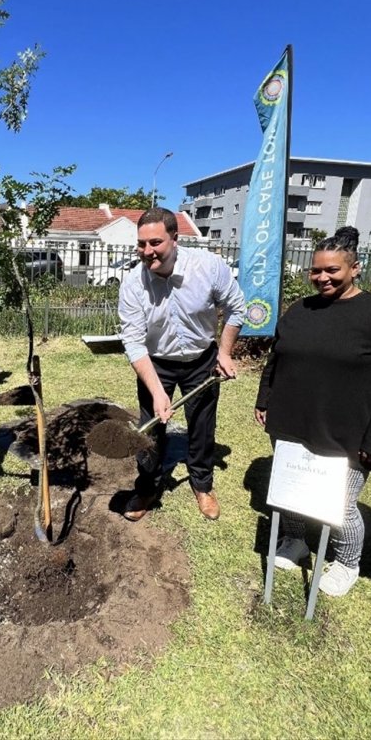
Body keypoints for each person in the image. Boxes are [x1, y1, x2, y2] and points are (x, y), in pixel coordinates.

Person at [255, 226, 371, 597]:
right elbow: (276, 358)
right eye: (316, 270)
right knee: (293, 492)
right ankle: (294, 540)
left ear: (355, 268)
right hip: (294, 421)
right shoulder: (301, 310)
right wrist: (265, 399)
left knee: (340, 506)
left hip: (350, 432)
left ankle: (346, 562)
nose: (322, 278)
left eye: (332, 270)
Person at [118, 207, 246, 521]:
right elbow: (134, 342)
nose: (147, 252)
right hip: (156, 361)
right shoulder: (133, 284)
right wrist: (159, 392)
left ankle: (202, 485)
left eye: (155, 243)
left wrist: (225, 353)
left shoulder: (208, 267)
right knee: (149, 427)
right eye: (141, 244)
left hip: (202, 359)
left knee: (201, 426)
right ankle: (147, 486)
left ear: (175, 238)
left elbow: (236, 309)